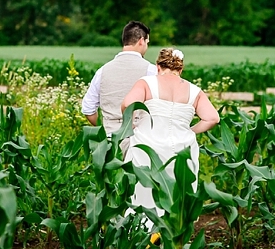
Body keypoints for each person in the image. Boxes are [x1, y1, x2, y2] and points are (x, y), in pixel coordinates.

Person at [120, 47, 220, 224]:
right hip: (181, 151)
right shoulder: (195, 91)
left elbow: (128, 104)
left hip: (148, 148)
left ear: (158, 66)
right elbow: (212, 118)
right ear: (180, 69)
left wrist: (133, 123)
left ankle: (141, 238)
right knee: (176, 198)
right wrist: (190, 131)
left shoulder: (146, 83)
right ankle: (172, 240)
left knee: (145, 196)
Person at [81, 21, 157, 144]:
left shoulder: (103, 71)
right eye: (147, 43)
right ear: (141, 41)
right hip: (141, 141)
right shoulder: (151, 70)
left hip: (110, 141)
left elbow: (88, 109)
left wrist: (105, 128)